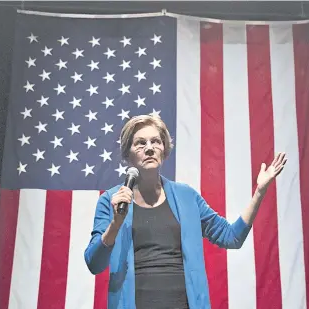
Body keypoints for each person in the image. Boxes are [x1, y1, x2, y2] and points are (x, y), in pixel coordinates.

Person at [84, 115, 287, 309]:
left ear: (164, 149)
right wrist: (115, 224)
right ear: (128, 154)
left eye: (156, 141)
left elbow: (232, 237)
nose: (149, 148)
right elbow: (94, 263)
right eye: (140, 143)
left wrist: (259, 192)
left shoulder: (186, 196)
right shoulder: (110, 201)